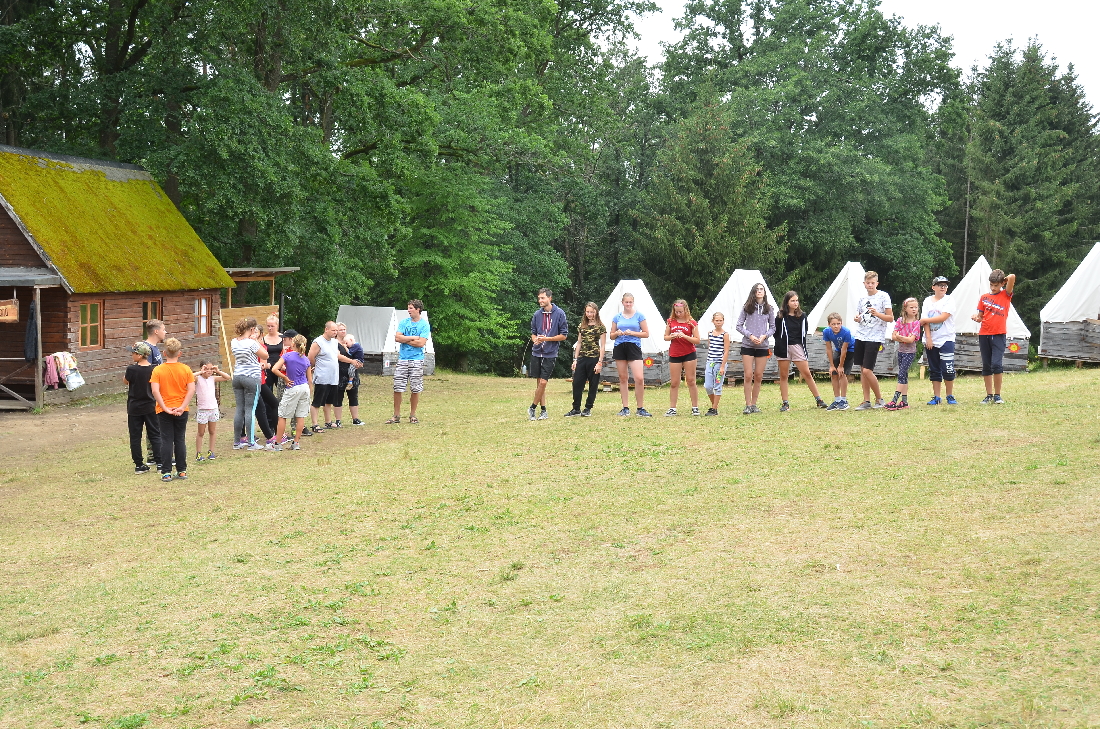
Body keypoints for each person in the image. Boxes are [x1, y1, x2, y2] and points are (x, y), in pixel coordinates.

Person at [150, 338, 196, 482]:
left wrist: (164, 407)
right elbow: (191, 389)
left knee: (166, 440)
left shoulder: (158, 370)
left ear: (164, 353)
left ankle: (166, 472)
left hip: (164, 410)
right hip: (181, 409)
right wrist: (182, 407)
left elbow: (155, 391)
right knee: (180, 439)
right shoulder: (186, 369)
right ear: (179, 353)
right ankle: (181, 471)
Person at [774, 291, 826, 412]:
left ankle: (819, 400)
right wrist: (781, 343)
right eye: (792, 300)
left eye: (797, 300)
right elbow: (776, 332)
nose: (795, 303)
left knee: (806, 373)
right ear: (787, 302)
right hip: (783, 347)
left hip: (797, 346)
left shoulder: (802, 316)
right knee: (783, 375)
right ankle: (785, 403)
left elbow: (804, 331)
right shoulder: (780, 316)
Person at [973, 269, 1016, 404]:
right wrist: (976, 318)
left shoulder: (1005, 295)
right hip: (984, 334)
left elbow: (1012, 276)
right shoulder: (984, 297)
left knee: (996, 364)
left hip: (999, 334)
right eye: (991, 285)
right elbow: (980, 316)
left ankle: (998, 395)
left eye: (996, 285)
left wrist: (1003, 279)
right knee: (986, 365)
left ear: (1002, 284)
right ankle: (989, 395)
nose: (993, 288)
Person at [852, 271, 893, 410]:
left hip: (875, 337)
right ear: (864, 284)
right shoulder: (862, 298)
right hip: (861, 335)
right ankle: (866, 400)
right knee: (862, 369)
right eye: (868, 283)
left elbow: (890, 318)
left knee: (867, 370)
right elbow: (860, 315)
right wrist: (857, 318)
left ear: (877, 283)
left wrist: (877, 313)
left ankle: (880, 399)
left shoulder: (883, 296)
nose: (870, 285)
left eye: (872, 283)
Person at [527, 289, 568, 421]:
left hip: (550, 353)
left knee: (543, 382)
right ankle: (543, 410)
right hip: (537, 352)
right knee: (539, 383)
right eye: (539, 298)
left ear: (550, 298)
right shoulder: (537, 314)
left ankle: (532, 407)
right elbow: (533, 333)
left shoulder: (560, 313)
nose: (540, 300)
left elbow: (564, 336)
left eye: (543, 298)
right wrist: (535, 340)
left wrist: (547, 339)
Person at [231, 317, 271, 450]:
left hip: (237, 376)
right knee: (250, 409)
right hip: (251, 378)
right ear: (252, 329)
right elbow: (265, 355)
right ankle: (251, 442)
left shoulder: (234, 342)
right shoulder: (251, 343)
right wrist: (256, 341)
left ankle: (237, 441)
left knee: (239, 409)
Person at [610, 292, 652, 417]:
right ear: (622, 302)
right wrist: (617, 333)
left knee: (639, 378)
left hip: (634, 346)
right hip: (620, 346)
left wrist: (632, 333)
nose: (628, 304)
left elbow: (646, 333)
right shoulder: (617, 317)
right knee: (623, 378)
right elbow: (611, 336)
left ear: (633, 303)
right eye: (626, 302)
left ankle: (640, 408)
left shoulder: (639, 316)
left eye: (630, 302)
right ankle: (625, 407)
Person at [391, 300, 433, 423]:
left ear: (418, 309)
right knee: (398, 387)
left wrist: (405, 339)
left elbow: (421, 343)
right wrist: (413, 338)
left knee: (415, 388)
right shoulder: (404, 322)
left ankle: (412, 415)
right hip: (402, 359)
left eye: (411, 308)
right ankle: (396, 416)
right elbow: (397, 337)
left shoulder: (424, 325)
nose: (408, 310)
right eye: (408, 308)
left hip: (417, 360)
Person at [736, 283, 775, 415]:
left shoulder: (769, 309)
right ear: (753, 292)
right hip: (748, 345)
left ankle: (754, 404)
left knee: (758, 375)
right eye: (757, 289)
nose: (759, 291)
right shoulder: (747, 308)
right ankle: (747, 405)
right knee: (748, 375)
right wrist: (750, 336)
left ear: (764, 292)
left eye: (761, 289)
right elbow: (739, 326)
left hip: (762, 346)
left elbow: (773, 327)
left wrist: (765, 336)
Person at [920, 275, 957, 405]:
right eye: (940, 285)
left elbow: (943, 317)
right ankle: (937, 397)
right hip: (931, 339)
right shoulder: (927, 301)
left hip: (946, 338)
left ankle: (950, 395)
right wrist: (928, 338)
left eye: (945, 285)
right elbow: (924, 323)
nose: (943, 287)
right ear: (933, 287)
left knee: (948, 368)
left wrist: (925, 320)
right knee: (934, 368)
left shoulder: (949, 300)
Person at [124, 342, 160, 474]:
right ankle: (160, 462)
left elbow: (125, 381)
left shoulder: (131, 369)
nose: (132, 355)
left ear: (139, 355)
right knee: (155, 434)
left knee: (135, 436)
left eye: (133, 353)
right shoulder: (154, 369)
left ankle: (139, 464)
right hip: (151, 406)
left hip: (134, 407)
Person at [566, 302, 607, 417]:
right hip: (582, 358)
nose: (589, 314)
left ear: (596, 312)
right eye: (588, 312)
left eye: (592, 312)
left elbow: (603, 345)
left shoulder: (601, 327)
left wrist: (600, 362)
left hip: (594, 358)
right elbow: (579, 343)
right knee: (577, 383)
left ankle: (588, 408)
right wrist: (575, 359)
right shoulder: (582, 325)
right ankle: (576, 408)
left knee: (593, 385)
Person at [273, 332, 311, 450]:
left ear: (293, 344)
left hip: (293, 387)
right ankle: (296, 443)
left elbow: (274, 369)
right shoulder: (306, 359)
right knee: (300, 416)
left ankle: (277, 444)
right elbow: (310, 380)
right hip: (304, 388)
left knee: (282, 415)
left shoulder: (287, 356)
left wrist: (285, 378)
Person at [663, 299, 701, 416]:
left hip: (689, 353)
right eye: (676, 312)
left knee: (691, 380)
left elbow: (697, 340)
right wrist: (672, 336)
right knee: (674, 382)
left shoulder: (691, 322)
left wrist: (685, 336)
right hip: (675, 353)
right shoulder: (670, 321)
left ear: (685, 310)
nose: (678, 314)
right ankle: (672, 408)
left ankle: (695, 407)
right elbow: (665, 337)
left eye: (680, 312)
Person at [885, 298, 921, 410]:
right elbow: (893, 336)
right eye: (911, 307)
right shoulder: (900, 321)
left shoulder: (916, 323)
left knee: (901, 374)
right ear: (905, 308)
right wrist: (904, 338)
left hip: (909, 352)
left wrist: (900, 337)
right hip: (900, 351)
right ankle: (904, 402)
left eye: (916, 307)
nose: (914, 309)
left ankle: (894, 400)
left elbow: (911, 340)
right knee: (904, 376)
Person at [308, 321, 341, 432]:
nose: (335, 332)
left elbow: (336, 355)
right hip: (322, 376)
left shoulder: (335, 342)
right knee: (318, 401)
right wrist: (315, 366)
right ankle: (315, 424)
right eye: (333, 330)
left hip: (333, 377)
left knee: (329, 401)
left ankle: (328, 421)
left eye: (336, 330)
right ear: (326, 329)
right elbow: (310, 357)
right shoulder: (318, 342)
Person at [194, 360, 230, 460]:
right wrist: (200, 372)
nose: (209, 371)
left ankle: (211, 451)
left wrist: (218, 371)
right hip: (203, 409)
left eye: (211, 369)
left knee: (212, 431)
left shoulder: (212, 378)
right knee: (201, 432)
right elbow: (188, 376)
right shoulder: (198, 379)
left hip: (213, 408)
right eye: (206, 369)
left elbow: (227, 377)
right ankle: (198, 453)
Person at [142, 319, 166, 465]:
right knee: (154, 423)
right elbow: (146, 371)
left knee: (155, 423)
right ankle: (153, 455)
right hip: (151, 392)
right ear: (156, 331)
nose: (165, 332)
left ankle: (153, 454)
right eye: (163, 329)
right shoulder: (146, 348)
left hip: (158, 390)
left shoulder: (155, 348)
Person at [822, 313, 855, 410]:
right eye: (833, 324)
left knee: (842, 373)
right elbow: (829, 349)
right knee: (834, 373)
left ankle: (844, 401)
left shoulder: (846, 332)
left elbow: (844, 350)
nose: (836, 326)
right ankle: (837, 400)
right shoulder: (826, 332)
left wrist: (840, 366)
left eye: (838, 324)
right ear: (829, 324)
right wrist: (832, 366)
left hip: (850, 349)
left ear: (841, 323)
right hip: (838, 349)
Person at [334, 322, 365, 427]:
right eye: (340, 329)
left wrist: (359, 363)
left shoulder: (351, 342)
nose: (343, 331)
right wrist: (352, 361)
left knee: (353, 396)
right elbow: (338, 356)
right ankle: (338, 420)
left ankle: (355, 419)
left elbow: (359, 354)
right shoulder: (334, 343)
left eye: (344, 329)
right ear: (336, 331)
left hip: (352, 372)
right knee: (338, 397)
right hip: (340, 372)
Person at [259, 314, 283, 435]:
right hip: (267, 370)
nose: (270, 328)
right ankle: (270, 424)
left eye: (272, 326)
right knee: (268, 397)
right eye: (268, 326)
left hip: (280, 369)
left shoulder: (282, 338)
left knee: (282, 396)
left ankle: (281, 422)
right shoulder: (263, 339)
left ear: (277, 325)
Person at [703, 312, 729, 416]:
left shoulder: (725, 334)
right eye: (716, 320)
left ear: (723, 321)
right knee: (708, 386)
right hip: (710, 362)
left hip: (719, 363)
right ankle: (715, 405)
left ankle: (714, 408)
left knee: (717, 385)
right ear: (713, 321)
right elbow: (710, 347)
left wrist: (722, 366)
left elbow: (726, 351)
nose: (718, 322)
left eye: (720, 320)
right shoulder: (710, 333)